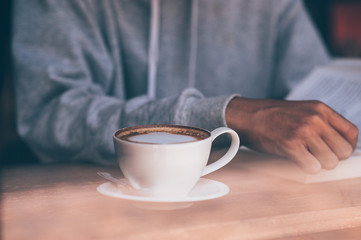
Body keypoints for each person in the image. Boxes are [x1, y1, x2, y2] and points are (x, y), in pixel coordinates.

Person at [12, 0, 358, 173]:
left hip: (247, 209)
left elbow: (318, 94)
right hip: (93, 206)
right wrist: (224, 115)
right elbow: (50, 112)